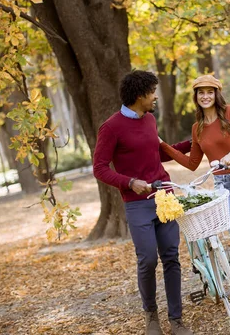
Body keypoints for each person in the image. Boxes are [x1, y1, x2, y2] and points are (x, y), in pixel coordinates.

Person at [159, 74, 230, 316]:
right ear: (196, 96)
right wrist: (163, 146)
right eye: (201, 92)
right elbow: (191, 163)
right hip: (226, 188)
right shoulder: (198, 128)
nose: (205, 96)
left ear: (216, 93)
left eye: (209, 91)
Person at [93, 70, 194, 335]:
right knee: (148, 258)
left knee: (171, 257)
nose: (155, 97)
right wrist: (129, 182)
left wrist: (193, 144)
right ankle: (151, 316)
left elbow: (159, 153)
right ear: (139, 95)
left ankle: (176, 320)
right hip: (137, 203)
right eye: (152, 92)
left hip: (165, 196)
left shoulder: (149, 120)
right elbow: (100, 168)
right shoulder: (111, 127)